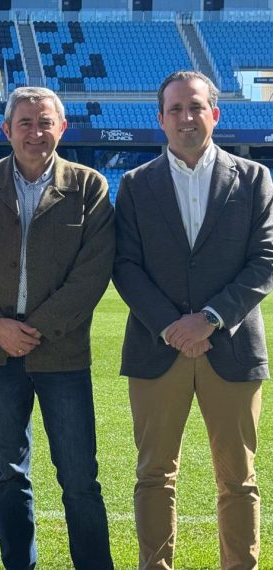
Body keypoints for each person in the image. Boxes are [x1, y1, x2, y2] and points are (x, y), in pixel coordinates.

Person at [113, 70, 273, 570]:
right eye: (176, 109)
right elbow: (125, 265)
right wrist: (171, 325)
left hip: (231, 348)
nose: (187, 117)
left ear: (215, 114)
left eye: (196, 107)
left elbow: (266, 258)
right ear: (160, 119)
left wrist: (208, 319)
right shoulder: (136, 185)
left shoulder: (254, 179)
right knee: (154, 475)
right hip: (157, 351)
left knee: (238, 478)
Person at [0, 86, 115, 570]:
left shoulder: (89, 186)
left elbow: (92, 273)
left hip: (60, 355)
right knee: (8, 475)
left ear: (61, 128)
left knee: (80, 477)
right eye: (25, 122)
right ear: (6, 130)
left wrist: (36, 327)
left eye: (45, 123)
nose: (35, 132)